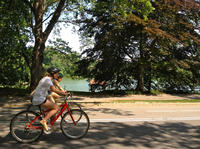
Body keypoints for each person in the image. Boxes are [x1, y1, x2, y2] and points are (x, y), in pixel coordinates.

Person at [32, 67, 67, 131]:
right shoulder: (48, 80)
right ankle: (44, 121)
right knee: (56, 107)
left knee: (52, 111)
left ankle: (51, 126)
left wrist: (62, 92)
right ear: (53, 74)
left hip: (39, 98)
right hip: (40, 99)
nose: (58, 75)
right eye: (57, 73)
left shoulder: (46, 79)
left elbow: (51, 90)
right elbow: (54, 90)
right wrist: (63, 93)